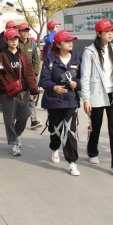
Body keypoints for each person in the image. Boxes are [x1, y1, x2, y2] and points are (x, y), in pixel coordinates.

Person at [81, 19, 113, 174]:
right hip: (97, 93)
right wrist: (86, 99)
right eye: (107, 31)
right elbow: (85, 77)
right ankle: (92, 151)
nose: (110, 34)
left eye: (111, 31)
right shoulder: (90, 52)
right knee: (96, 126)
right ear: (98, 33)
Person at [39, 30, 82, 176]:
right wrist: (54, 87)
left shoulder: (77, 59)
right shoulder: (50, 60)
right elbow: (44, 80)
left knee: (70, 131)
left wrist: (77, 84)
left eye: (71, 40)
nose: (70, 43)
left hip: (71, 101)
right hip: (54, 101)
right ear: (58, 44)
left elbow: (83, 77)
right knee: (55, 130)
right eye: (67, 41)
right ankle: (54, 148)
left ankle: (72, 162)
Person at [0, 28, 39, 156]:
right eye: (11, 39)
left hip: (23, 91)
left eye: (16, 38)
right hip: (8, 92)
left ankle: (17, 134)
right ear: (6, 40)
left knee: (24, 115)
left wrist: (33, 89)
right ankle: (13, 142)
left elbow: (30, 73)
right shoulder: (1, 57)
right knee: (9, 118)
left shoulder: (23, 56)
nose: (14, 41)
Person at [17, 23, 42, 129]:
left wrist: (35, 74)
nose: (25, 33)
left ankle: (34, 120)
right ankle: (17, 118)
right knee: (18, 98)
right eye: (23, 31)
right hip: (18, 75)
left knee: (32, 97)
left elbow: (37, 60)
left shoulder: (33, 44)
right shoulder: (16, 43)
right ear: (19, 32)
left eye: (27, 31)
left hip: (30, 75)